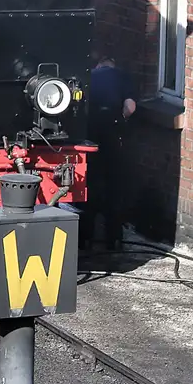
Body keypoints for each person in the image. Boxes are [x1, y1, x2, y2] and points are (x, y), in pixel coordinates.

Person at [80, 54, 137, 251]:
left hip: (89, 136)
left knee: (89, 184)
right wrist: (120, 120)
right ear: (113, 65)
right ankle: (114, 239)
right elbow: (130, 107)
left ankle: (85, 238)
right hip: (112, 135)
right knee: (114, 186)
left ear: (98, 65)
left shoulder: (89, 76)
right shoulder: (122, 76)